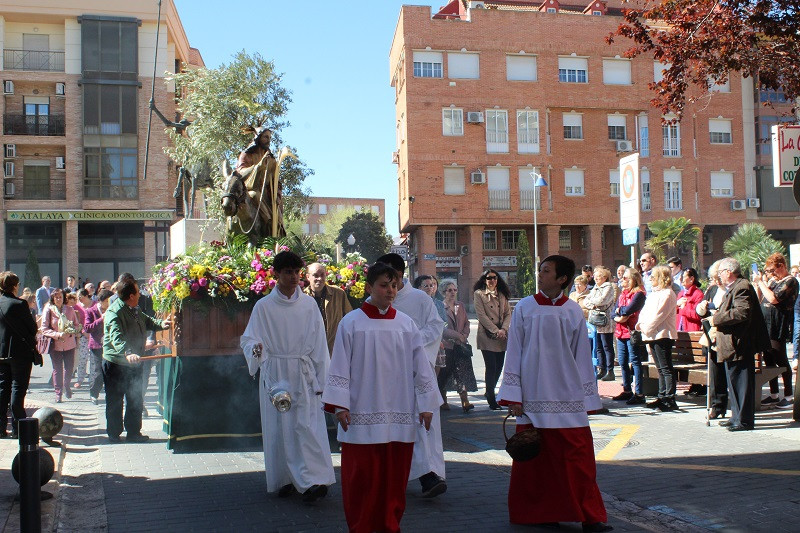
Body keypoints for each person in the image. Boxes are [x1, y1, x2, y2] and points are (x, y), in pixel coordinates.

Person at [322, 262, 439, 533]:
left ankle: (389, 525)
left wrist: (426, 405)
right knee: (361, 478)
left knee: (393, 478)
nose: (390, 291)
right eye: (384, 285)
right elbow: (339, 365)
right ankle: (361, 526)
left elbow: (420, 367)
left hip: (399, 412)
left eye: (394, 285)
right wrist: (340, 405)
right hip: (361, 412)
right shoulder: (351, 323)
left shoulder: (406, 324)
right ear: (369, 287)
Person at [498, 255, 611, 532]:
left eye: (546, 271)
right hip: (534, 394)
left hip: (568, 395)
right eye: (540, 269)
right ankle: (540, 512)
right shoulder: (524, 307)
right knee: (536, 460)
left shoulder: (573, 310)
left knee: (578, 459)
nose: (540, 274)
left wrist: (587, 397)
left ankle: (590, 515)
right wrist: (513, 395)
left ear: (562, 279)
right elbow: (514, 351)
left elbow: (582, 356)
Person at [240, 251, 335, 501]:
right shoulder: (264, 306)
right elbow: (249, 338)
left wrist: (323, 380)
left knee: (307, 426)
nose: (294, 277)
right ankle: (285, 479)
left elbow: (319, 344)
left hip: (303, 373)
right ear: (276, 274)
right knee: (280, 428)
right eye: (288, 272)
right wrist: (256, 349)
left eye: (296, 272)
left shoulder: (308, 304)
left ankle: (313, 479)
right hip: (276, 375)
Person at [375, 253, 446, 498]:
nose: (389, 287)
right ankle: (413, 475)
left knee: (422, 423)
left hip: (416, 371)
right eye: (384, 281)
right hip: (387, 375)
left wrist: (414, 343)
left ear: (400, 274)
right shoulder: (374, 300)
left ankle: (430, 473)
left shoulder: (419, 299)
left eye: (392, 279)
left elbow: (436, 326)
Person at [705, 257, 770, 431]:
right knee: (733, 382)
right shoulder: (733, 287)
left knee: (742, 384)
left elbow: (742, 312)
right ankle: (736, 416)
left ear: (728, 272)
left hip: (740, 343)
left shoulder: (742, 286)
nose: (719, 276)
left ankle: (744, 420)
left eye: (720, 272)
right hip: (731, 344)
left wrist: (716, 318)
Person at [103, 280, 170, 443]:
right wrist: (128, 352)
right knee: (115, 399)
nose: (140, 294)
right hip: (116, 363)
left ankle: (133, 432)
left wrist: (162, 324)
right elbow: (116, 337)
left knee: (135, 397)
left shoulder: (134, 308)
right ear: (131, 295)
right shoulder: (115, 312)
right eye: (138, 292)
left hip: (133, 362)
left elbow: (147, 321)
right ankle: (114, 433)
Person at [753, 253, 798, 408]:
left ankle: (788, 394)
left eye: (773, 270)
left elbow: (773, 299)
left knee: (780, 358)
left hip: (778, 324)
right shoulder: (773, 281)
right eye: (769, 271)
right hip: (766, 324)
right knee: (769, 359)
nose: (771, 274)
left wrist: (762, 283)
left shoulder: (791, 281)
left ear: (781, 266)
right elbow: (761, 298)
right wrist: (760, 284)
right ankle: (774, 394)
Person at [0, 271, 39, 439]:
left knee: (2, 389)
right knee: (18, 389)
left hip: (1, 353)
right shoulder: (19, 304)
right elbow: (32, 328)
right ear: (15, 286)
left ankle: (1, 428)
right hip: (19, 353)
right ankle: (18, 428)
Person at [636, 266, 678, 411]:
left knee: (666, 368)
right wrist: (641, 324)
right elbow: (645, 311)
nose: (651, 279)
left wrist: (647, 328)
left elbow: (660, 315)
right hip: (652, 334)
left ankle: (669, 399)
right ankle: (661, 396)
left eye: (654, 276)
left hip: (663, 334)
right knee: (659, 368)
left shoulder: (668, 294)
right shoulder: (653, 294)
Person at [473, 269, 512, 411]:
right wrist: (496, 331)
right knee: (491, 366)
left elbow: (508, 313)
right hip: (487, 335)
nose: (492, 281)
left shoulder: (502, 294)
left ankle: (489, 390)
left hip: (502, 335)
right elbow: (481, 316)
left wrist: (504, 329)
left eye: (494, 278)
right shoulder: (479, 294)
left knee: (499, 366)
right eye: (489, 278)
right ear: (484, 280)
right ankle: (491, 398)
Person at [437, 280, 477, 413]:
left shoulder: (461, 306)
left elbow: (466, 322)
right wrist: (457, 336)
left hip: (460, 345)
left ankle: (465, 401)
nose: (453, 292)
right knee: (444, 373)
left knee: (461, 372)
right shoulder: (440, 307)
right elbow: (442, 327)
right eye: (449, 290)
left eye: (454, 290)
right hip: (447, 345)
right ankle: (443, 400)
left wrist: (464, 335)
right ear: (443, 292)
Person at [696, 261, 728, 419]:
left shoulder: (731, 290)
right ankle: (717, 405)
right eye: (715, 278)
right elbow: (702, 311)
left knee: (725, 372)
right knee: (715, 373)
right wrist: (702, 309)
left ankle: (728, 404)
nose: (717, 281)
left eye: (719, 277)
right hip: (711, 335)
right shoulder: (712, 289)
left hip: (726, 336)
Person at [613, 268, 647, 405]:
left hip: (632, 331)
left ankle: (639, 393)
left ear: (634, 279)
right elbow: (612, 313)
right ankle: (627, 390)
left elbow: (629, 309)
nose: (623, 281)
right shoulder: (622, 294)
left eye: (626, 278)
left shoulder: (639, 294)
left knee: (635, 361)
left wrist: (620, 312)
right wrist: (619, 316)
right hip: (620, 331)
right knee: (622, 361)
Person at [40, 288, 81, 403]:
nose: (58, 299)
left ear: (64, 298)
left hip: (69, 343)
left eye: (60, 297)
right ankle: (58, 393)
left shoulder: (69, 310)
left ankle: (66, 386)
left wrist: (72, 330)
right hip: (55, 344)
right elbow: (44, 328)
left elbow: (77, 325)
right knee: (57, 369)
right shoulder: (48, 310)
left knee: (69, 368)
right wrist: (57, 334)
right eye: (56, 297)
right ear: (53, 298)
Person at [303, 262, 352, 355]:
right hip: (310, 352)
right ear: (308, 277)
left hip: (334, 350)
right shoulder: (302, 297)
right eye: (315, 275)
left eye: (322, 275)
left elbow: (349, 318)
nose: (320, 279)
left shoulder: (338, 294)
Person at [585, 266, 616, 381]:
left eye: (599, 276)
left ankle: (610, 370)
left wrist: (593, 303)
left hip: (605, 321)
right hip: (595, 321)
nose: (596, 278)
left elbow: (602, 301)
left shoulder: (608, 287)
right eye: (595, 276)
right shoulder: (595, 288)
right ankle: (601, 368)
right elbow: (586, 301)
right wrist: (593, 304)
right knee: (598, 347)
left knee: (607, 346)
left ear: (604, 277)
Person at [413, 275, 448, 375]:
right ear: (419, 288)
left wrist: (440, 339)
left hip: (437, 341)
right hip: (420, 342)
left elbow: (443, 322)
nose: (429, 288)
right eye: (426, 286)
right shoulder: (415, 303)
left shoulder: (439, 304)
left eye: (431, 285)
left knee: (434, 374)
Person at [85, 289, 113, 405]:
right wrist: (102, 319)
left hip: (110, 345)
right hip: (97, 345)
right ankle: (94, 393)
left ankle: (110, 394)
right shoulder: (91, 311)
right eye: (108, 301)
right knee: (97, 372)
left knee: (110, 371)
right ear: (101, 301)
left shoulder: (112, 310)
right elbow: (87, 328)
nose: (110, 303)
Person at [69, 290, 93, 389]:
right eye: (78, 297)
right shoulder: (76, 307)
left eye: (81, 297)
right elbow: (76, 322)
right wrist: (83, 332)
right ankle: (80, 379)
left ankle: (93, 380)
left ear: (87, 296)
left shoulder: (94, 305)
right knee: (82, 358)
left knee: (94, 359)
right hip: (83, 335)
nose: (79, 299)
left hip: (94, 335)